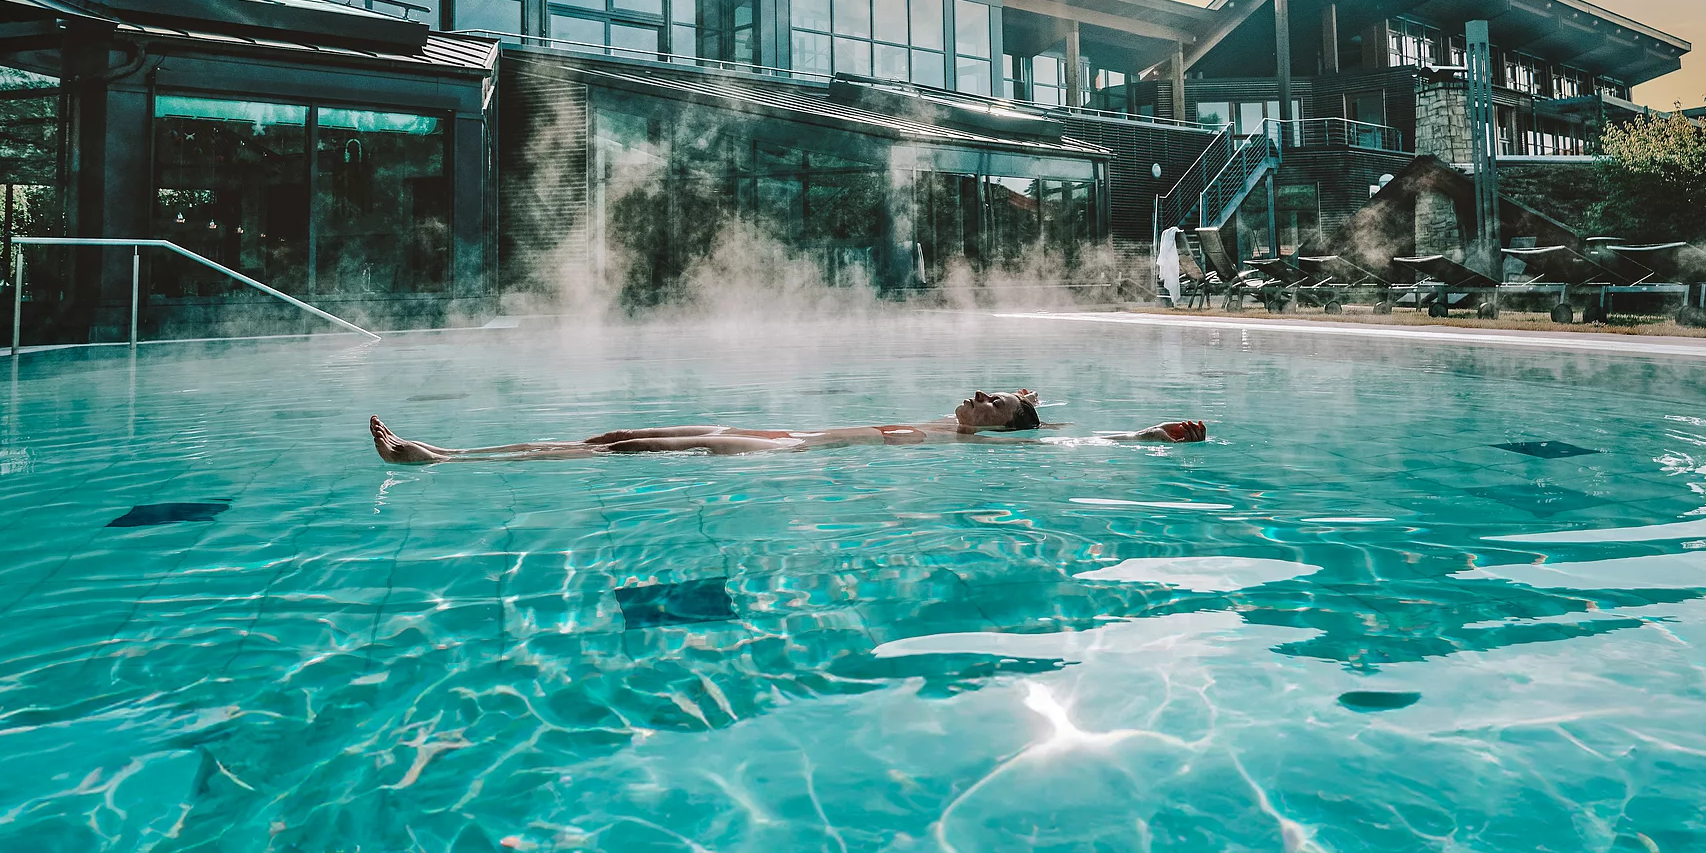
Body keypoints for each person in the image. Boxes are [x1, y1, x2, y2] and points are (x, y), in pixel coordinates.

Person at [369, 389, 1207, 465]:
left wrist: (1148, 436)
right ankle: (455, 454)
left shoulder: (987, 445)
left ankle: (444, 459)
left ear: (1003, 427)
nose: (974, 394)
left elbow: (1071, 443)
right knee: (617, 434)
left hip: (792, 454)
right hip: (779, 430)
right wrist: (1025, 395)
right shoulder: (981, 426)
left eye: (990, 401)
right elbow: (1037, 408)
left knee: (627, 453)